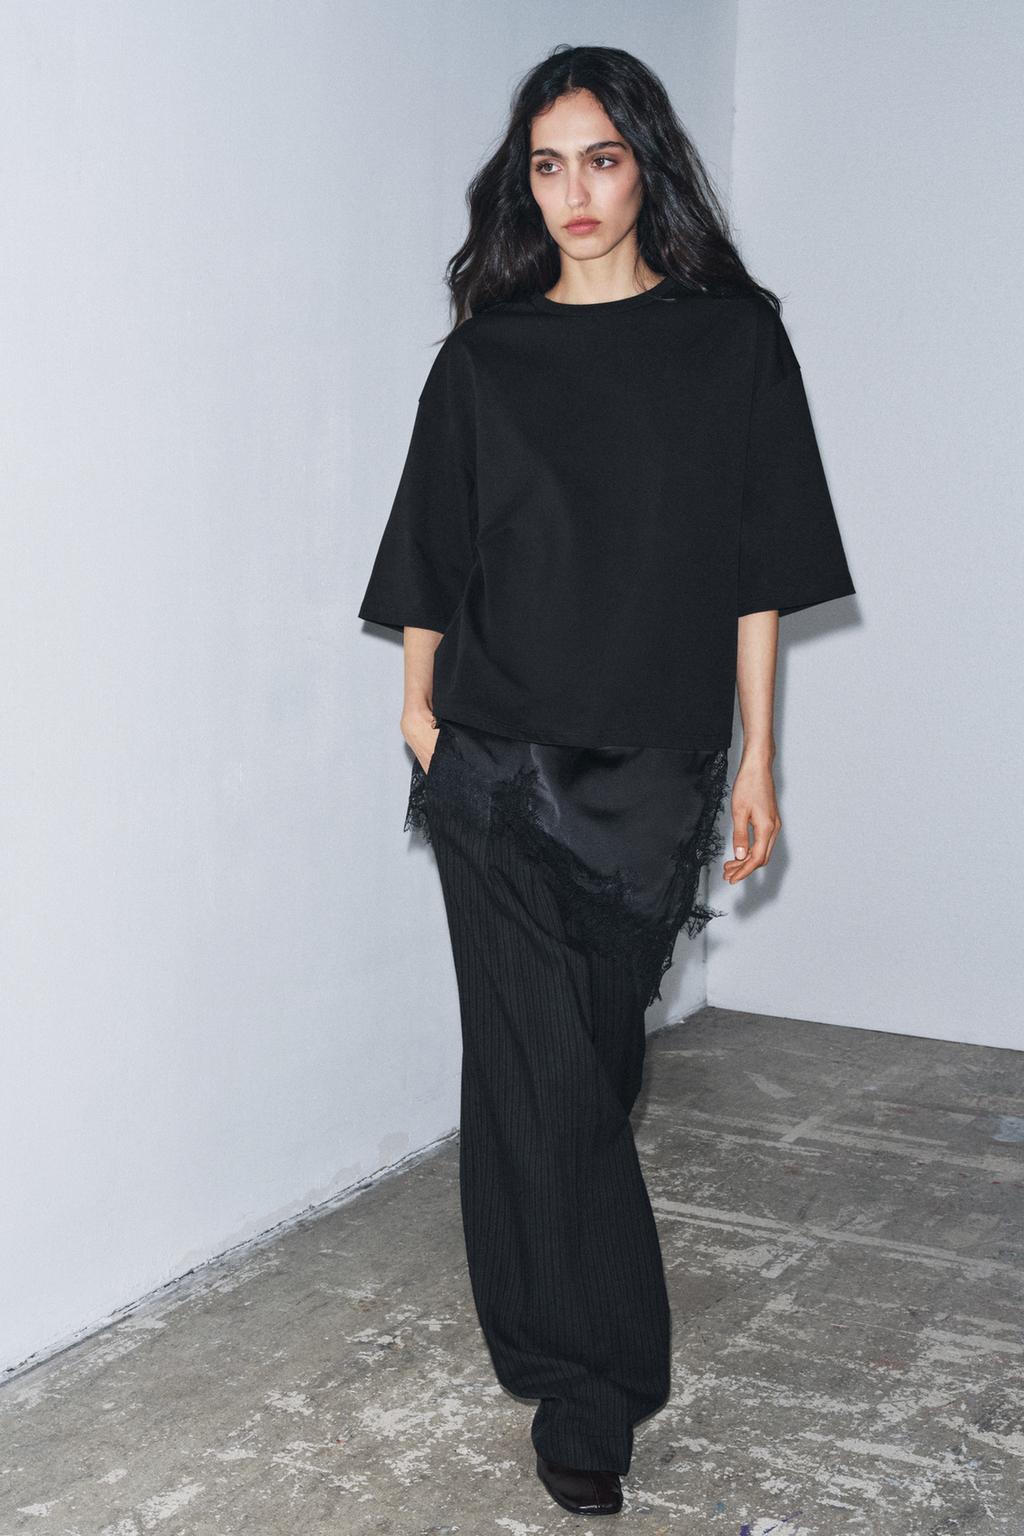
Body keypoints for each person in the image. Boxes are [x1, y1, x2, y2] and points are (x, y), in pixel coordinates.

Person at [358, 43, 856, 1519]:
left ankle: (541, 1328)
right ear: (525, 185)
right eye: (547, 165)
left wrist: (761, 757)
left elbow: (760, 565)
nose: (574, 192)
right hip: (496, 763)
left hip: (654, 770)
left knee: (589, 1072)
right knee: (538, 1074)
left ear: (648, 166)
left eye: (602, 158)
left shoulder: (733, 342)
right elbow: (432, 549)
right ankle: (592, 1386)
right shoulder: (486, 357)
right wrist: (420, 717)